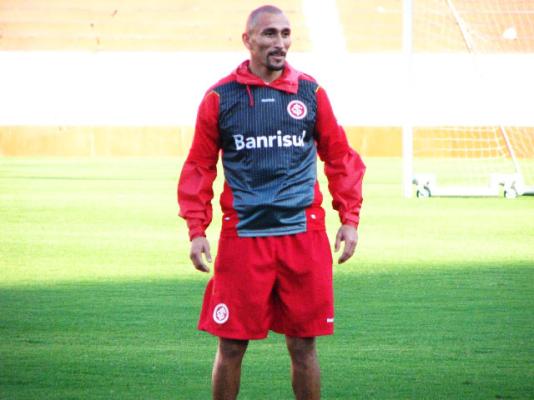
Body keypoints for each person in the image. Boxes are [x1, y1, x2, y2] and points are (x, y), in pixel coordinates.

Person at [178, 5, 365, 399]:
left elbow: (340, 157)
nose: (280, 43)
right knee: (231, 345)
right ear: (247, 40)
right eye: (269, 34)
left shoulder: (311, 93)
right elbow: (199, 166)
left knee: (303, 345)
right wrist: (196, 230)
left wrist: (349, 219)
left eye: (285, 33)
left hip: (304, 236)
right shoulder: (220, 97)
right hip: (244, 237)